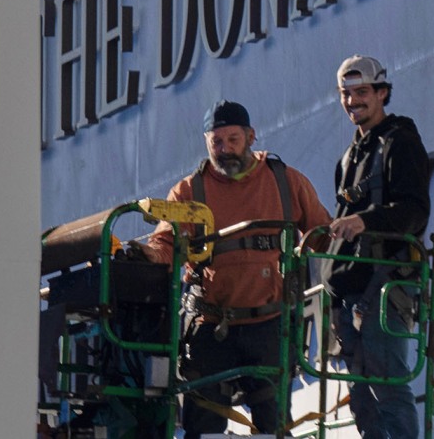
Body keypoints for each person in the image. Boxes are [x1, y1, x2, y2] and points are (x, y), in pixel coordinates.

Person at [137, 100, 332, 439]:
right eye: (217, 142)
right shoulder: (188, 191)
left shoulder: (285, 182)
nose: (225, 150)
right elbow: (167, 245)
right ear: (206, 143)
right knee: (203, 423)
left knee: (273, 424)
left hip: (270, 324)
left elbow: (323, 235)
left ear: (251, 136)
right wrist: (148, 254)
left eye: (233, 140)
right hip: (211, 325)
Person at [321, 54, 430, 439]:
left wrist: (365, 220)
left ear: (382, 93)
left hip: (383, 288)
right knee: (362, 397)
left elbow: (415, 211)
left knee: (387, 387)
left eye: (362, 92)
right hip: (349, 293)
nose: (353, 101)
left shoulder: (400, 143)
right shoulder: (350, 156)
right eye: (345, 94)